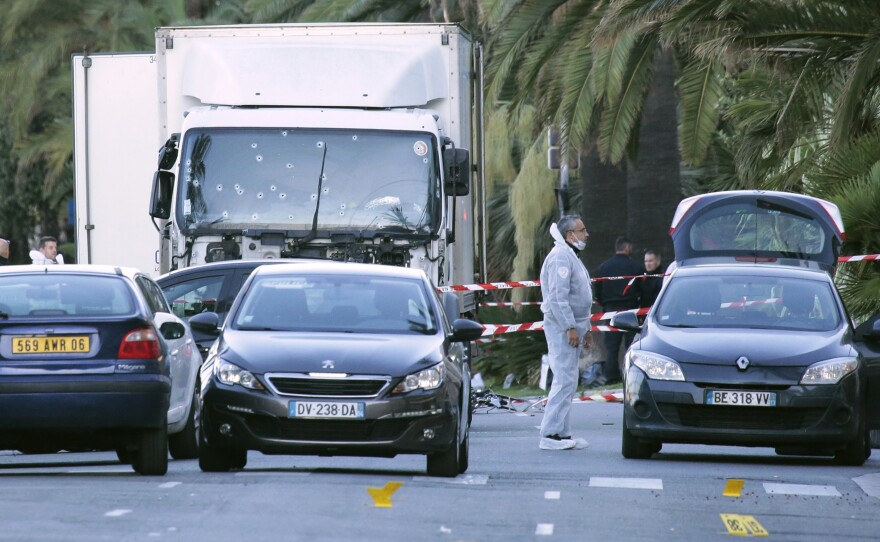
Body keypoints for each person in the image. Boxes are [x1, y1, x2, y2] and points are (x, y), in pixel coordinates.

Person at [538, 214, 593, 451]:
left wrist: (586, 329)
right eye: (582, 230)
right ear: (570, 235)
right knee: (563, 378)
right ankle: (550, 434)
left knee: (569, 380)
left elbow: (579, 297)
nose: (586, 234)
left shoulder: (569, 255)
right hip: (562, 327)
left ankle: (562, 433)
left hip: (574, 325)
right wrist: (570, 327)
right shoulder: (560, 257)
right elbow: (558, 298)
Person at [594, 236, 642, 385]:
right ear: (627, 248)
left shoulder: (603, 268)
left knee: (611, 347)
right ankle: (631, 376)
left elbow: (597, 291)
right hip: (631, 310)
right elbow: (642, 289)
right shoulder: (636, 267)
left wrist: (605, 304)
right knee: (631, 346)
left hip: (610, 311)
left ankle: (611, 376)